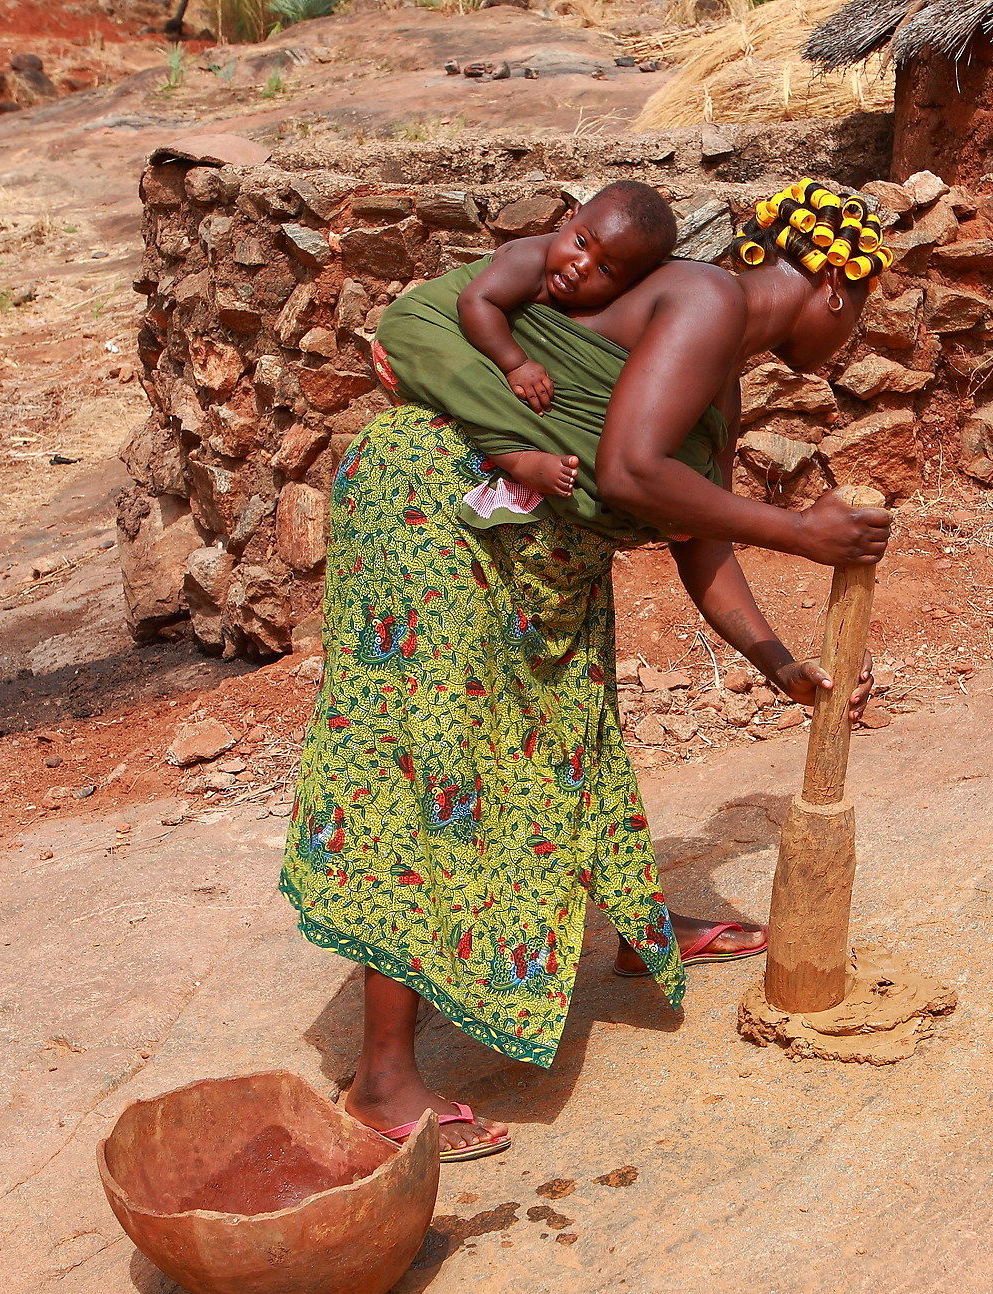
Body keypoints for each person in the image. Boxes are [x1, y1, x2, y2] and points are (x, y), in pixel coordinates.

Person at [283, 180, 896, 1162]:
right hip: (434, 506)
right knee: (424, 749)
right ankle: (382, 1076)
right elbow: (630, 473)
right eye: (861, 310)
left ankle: (627, 923)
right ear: (835, 286)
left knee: (562, 719)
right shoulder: (708, 300)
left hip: (525, 540)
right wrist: (803, 531)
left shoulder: (720, 362)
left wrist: (787, 666)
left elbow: (696, 535)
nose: (855, 331)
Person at [450, 180, 679, 516]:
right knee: (479, 393)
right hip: (468, 347)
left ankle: (661, 511)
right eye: (582, 242)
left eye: (605, 269)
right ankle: (517, 459)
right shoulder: (528, 260)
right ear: (571, 216)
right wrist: (515, 363)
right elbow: (476, 301)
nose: (581, 265)